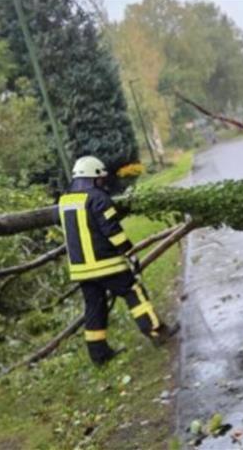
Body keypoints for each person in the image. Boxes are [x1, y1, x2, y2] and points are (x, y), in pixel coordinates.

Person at [58, 156, 179, 365]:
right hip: (106, 264)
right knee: (133, 291)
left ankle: (99, 355)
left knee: (95, 308)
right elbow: (112, 231)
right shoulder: (98, 198)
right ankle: (157, 332)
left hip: (81, 270)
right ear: (94, 178)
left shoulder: (65, 201)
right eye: (101, 179)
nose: (103, 183)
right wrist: (130, 252)